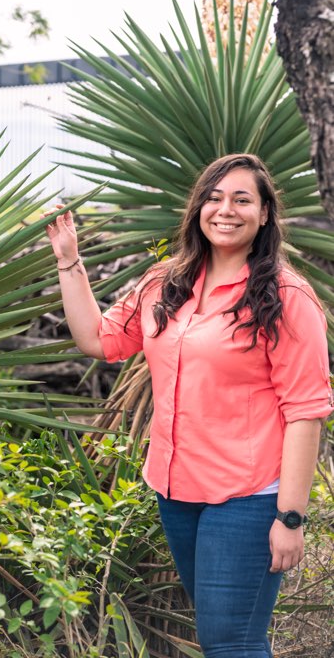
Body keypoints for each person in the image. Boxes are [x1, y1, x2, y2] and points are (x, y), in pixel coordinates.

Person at [42, 153, 332, 658]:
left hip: (247, 496)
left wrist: (290, 517)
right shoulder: (165, 282)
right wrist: (70, 260)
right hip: (177, 493)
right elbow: (99, 339)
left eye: (243, 199)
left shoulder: (287, 297)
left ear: (265, 214)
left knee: (232, 643)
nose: (226, 210)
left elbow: (305, 410)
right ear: (198, 207)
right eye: (215, 198)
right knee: (222, 635)